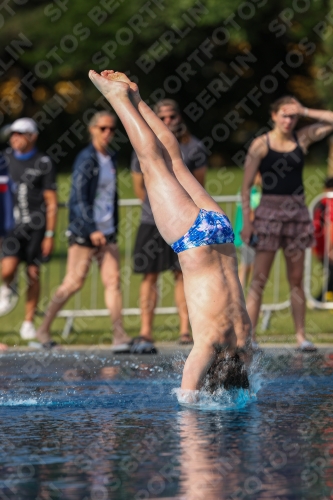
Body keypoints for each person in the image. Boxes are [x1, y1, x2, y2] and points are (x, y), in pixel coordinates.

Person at [88, 69, 252, 392]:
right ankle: (118, 98)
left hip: (221, 231)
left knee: (175, 160)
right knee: (152, 163)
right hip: (195, 240)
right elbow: (188, 395)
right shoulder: (211, 345)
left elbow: (247, 383)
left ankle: (136, 97)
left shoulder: (246, 344)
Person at [241, 96, 333, 352]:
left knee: (296, 278)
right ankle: (250, 336)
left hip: (296, 212)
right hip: (268, 213)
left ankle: (301, 335)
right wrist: (248, 222)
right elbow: (246, 186)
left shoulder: (300, 139)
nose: (289, 120)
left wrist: (304, 109)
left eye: (293, 116)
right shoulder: (261, 144)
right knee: (258, 279)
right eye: (284, 114)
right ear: (273, 116)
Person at [36, 111, 131, 350]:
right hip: (84, 230)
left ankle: (119, 335)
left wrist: (110, 227)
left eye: (112, 129)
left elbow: (110, 195)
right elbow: (78, 198)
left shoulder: (110, 157)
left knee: (113, 281)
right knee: (73, 282)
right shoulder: (86, 159)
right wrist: (91, 229)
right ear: (92, 130)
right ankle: (43, 329)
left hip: (107, 230)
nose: (108, 133)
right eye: (103, 128)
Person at [131, 99, 208, 353]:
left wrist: (178, 211)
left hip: (185, 222)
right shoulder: (143, 143)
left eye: (171, 117)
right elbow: (139, 187)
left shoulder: (194, 147)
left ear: (180, 117)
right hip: (152, 221)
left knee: (183, 275)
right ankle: (145, 331)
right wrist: (163, 210)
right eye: (161, 117)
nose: (167, 122)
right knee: (149, 276)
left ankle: (185, 329)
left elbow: (198, 187)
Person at [0, 118, 57, 340]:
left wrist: (50, 234)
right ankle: (9, 286)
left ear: (32, 136)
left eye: (20, 134)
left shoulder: (43, 162)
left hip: (36, 227)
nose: (15, 138)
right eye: (13, 134)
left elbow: (51, 200)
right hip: (11, 227)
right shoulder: (4, 159)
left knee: (33, 273)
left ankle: (28, 321)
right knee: (7, 268)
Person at [234, 172, 261, 290]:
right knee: (247, 267)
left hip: (242, 235)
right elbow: (252, 214)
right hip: (250, 236)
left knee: (247, 266)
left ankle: (242, 298)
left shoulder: (244, 190)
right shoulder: (254, 193)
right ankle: (242, 299)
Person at [313, 177, 333, 302]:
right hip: (325, 245)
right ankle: (322, 298)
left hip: (320, 245)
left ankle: (323, 297)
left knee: (331, 272)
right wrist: (330, 248)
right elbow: (330, 226)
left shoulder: (320, 203)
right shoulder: (327, 203)